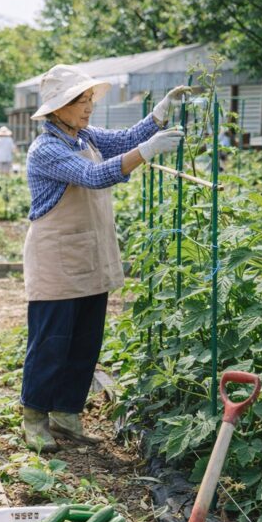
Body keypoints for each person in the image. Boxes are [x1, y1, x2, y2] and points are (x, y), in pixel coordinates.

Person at [21, 64, 189, 452]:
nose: (88, 107)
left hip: (89, 255)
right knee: (51, 341)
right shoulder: (47, 148)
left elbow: (125, 138)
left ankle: (66, 413)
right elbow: (95, 177)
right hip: (57, 259)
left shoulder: (83, 137)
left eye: (89, 98)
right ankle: (34, 418)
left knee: (85, 340)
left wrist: (158, 114)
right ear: (57, 108)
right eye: (79, 100)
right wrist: (147, 152)